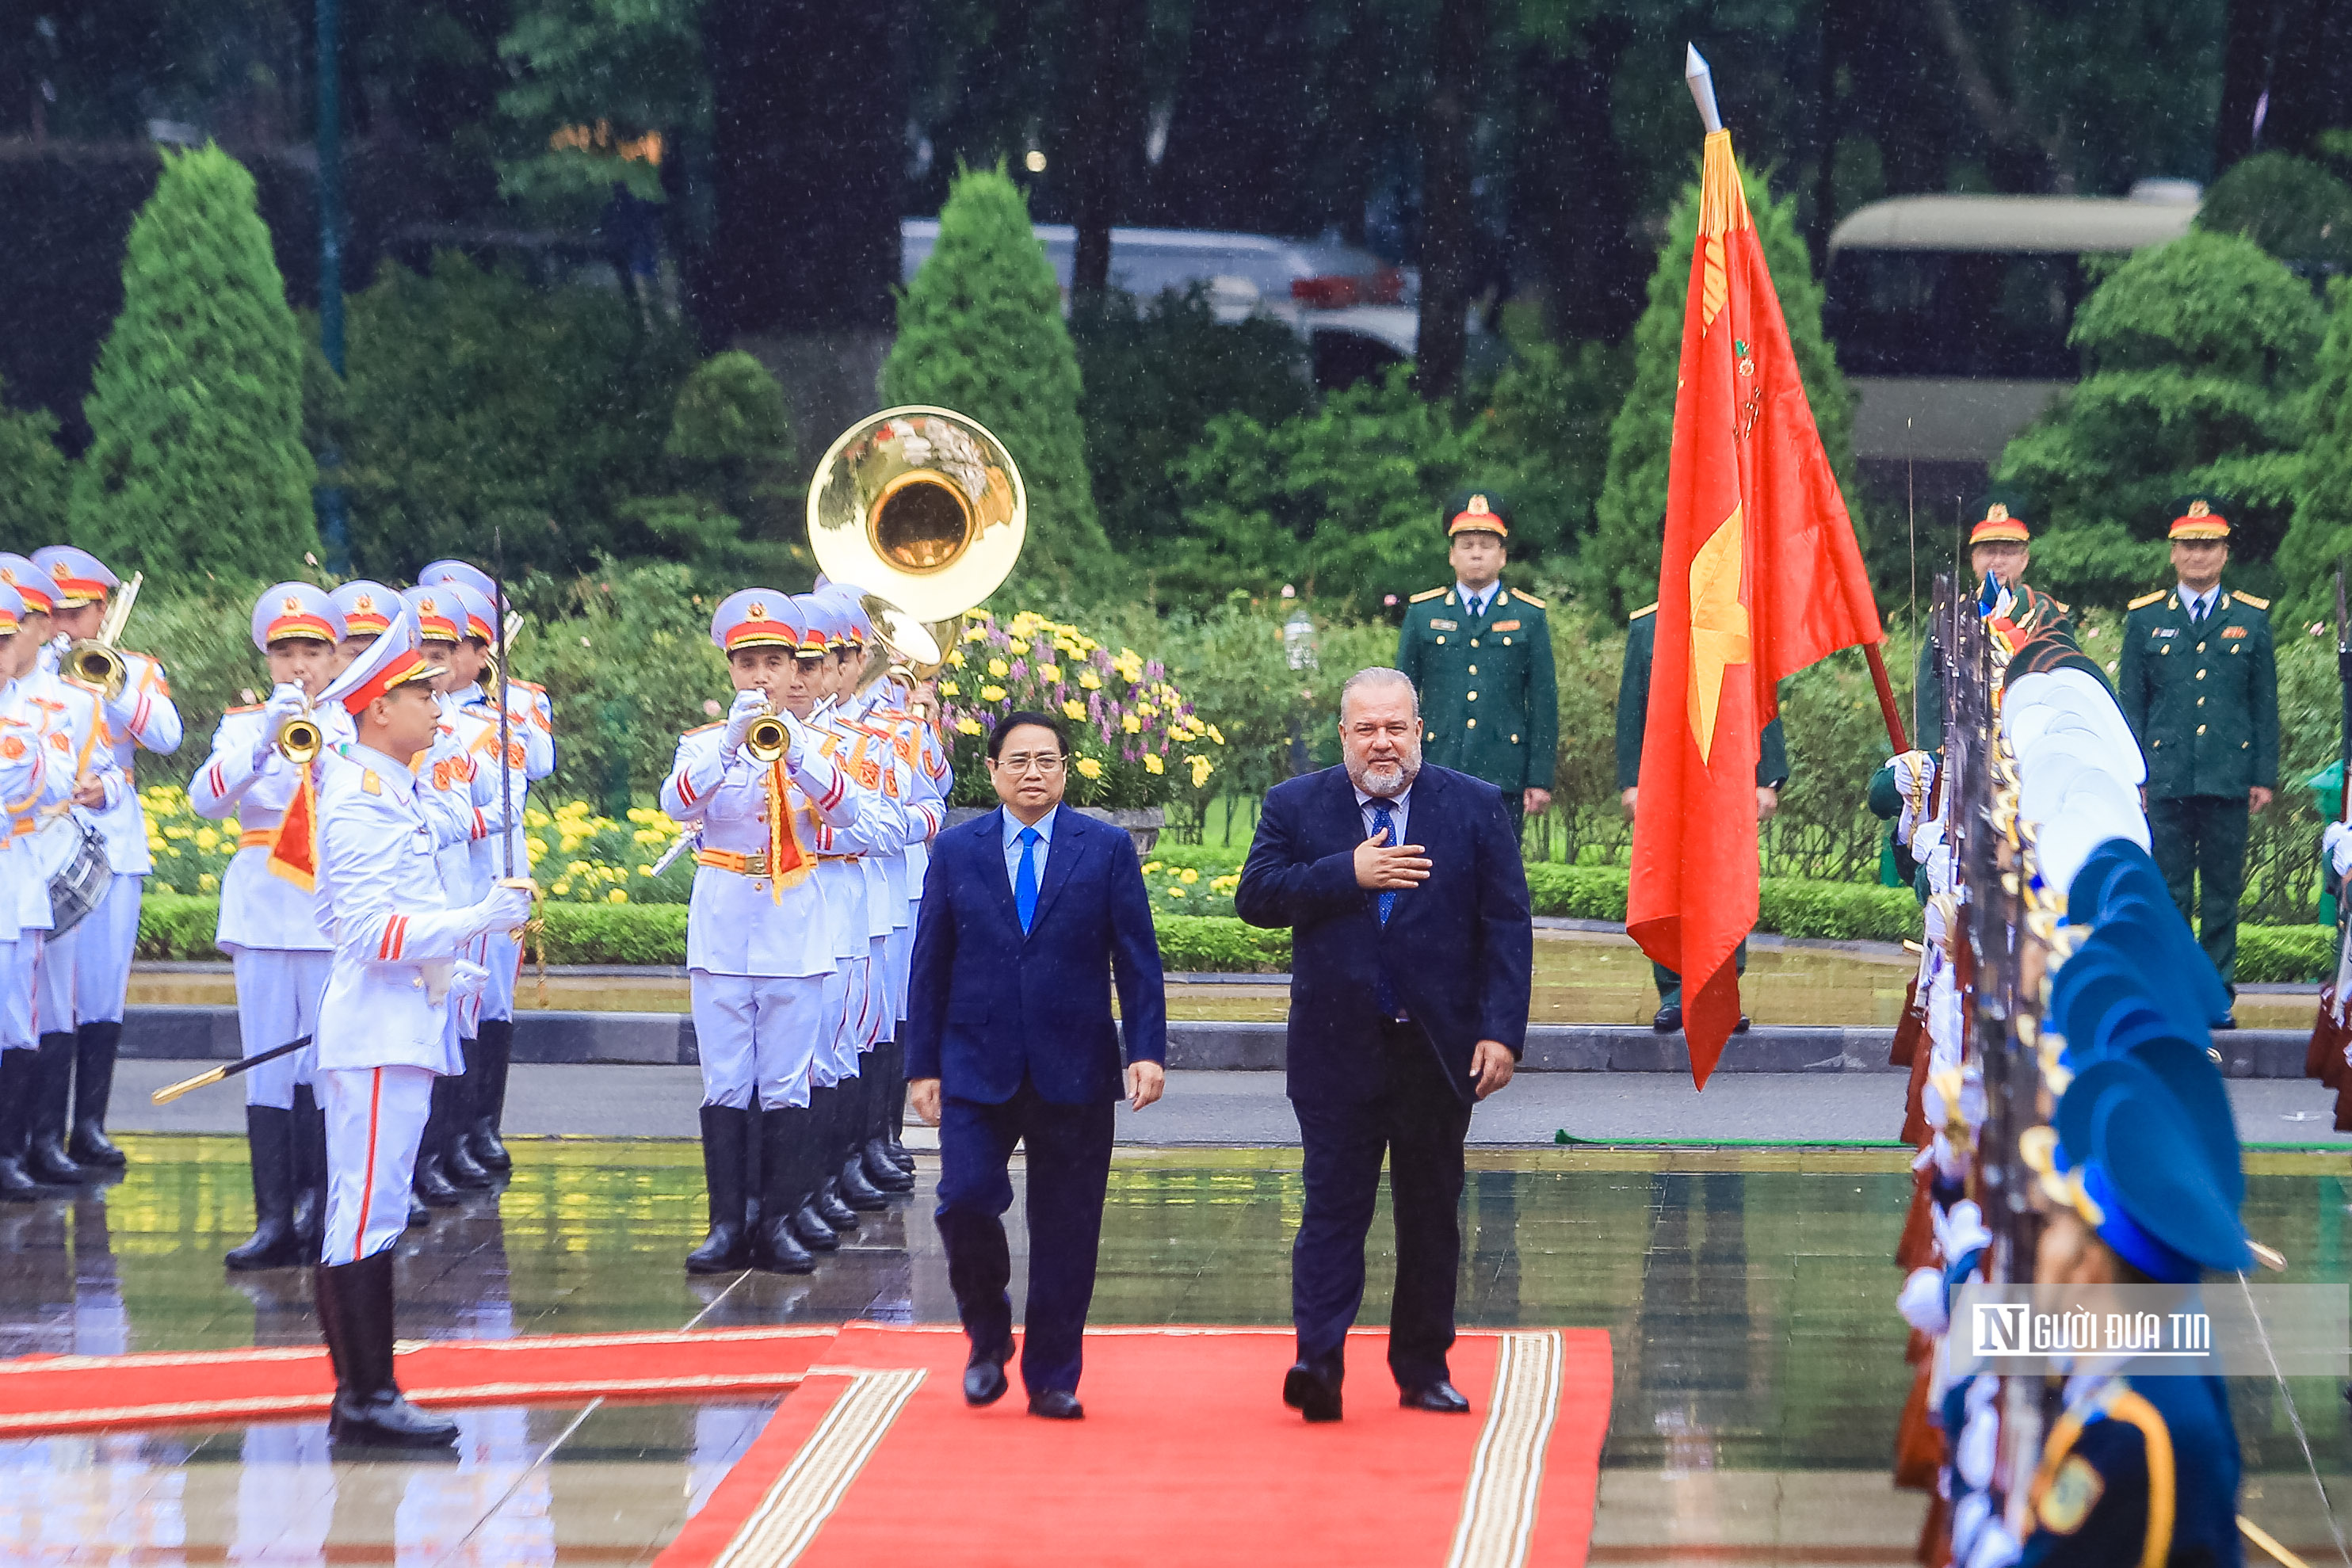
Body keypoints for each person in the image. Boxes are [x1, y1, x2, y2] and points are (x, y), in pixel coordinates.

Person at [1235, 667, 1531, 1423]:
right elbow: (1257, 896)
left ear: (1419, 730)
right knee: (1332, 1211)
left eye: (1396, 727)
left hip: (1437, 1050)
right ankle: (1319, 1362)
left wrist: (1501, 1031)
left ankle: (1424, 1367)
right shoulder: (1296, 804)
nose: (1383, 742)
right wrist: (1349, 872)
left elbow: (1506, 927)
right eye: (1366, 728)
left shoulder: (1473, 806)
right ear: (1343, 735)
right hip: (1336, 1051)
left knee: (1431, 1214)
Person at [307, 605, 534, 1449]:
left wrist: (446, 964)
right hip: (376, 1033)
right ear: (377, 710)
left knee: (367, 1207)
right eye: (421, 694)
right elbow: (367, 930)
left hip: (393, 1017)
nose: (438, 708)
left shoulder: (387, 789)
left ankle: (366, 1390)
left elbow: (350, 916)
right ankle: (367, 1396)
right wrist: (475, 918)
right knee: (364, 1211)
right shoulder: (365, 800)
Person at [904, 710, 1167, 1421]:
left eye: (1046, 760)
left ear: (1065, 768)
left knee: (1068, 1227)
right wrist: (920, 1063)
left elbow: (1137, 958)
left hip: (1075, 1064)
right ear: (992, 771)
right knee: (962, 1199)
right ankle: (987, 1338)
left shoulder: (1105, 848)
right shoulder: (957, 851)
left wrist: (1146, 1048)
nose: (1032, 773)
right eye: (1017, 761)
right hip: (973, 1062)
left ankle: (1053, 1374)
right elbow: (929, 963)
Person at [661, 590, 865, 1276]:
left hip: (792, 925)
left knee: (785, 1080)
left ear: (792, 669)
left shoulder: (819, 743)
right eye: (748, 663)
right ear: (731, 669)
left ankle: (778, 1219)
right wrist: (726, 747)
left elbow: (849, 809)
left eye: (773, 663)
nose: (761, 677)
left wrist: (799, 752)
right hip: (722, 925)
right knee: (725, 1079)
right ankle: (727, 1223)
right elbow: (676, 804)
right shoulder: (701, 745)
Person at [190, 583, 353, 1268]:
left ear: (336, 655)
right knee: (267, 1065)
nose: (299, 666)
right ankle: (272, 1217)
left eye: (312, 651)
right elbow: (204, 799)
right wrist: (262, 743)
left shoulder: (353, 723)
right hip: (262, 907)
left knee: (325, 1060)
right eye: (285, 652)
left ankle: (321, 1209)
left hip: (325, 909)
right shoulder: (241, 724)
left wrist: (323, 758)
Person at [32, 546, 181, 1170]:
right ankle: (39, 1131)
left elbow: (166, 737)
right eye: (55, 612)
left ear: (104, 609)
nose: (67, 626)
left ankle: (87, 1126)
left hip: (113, 843)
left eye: (78, 611)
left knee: (101, 993)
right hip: (44, 842)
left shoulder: (136, 668)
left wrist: (109, 682)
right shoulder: (25, 671)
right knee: (48, 993)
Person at [2115, 500, 2276, 1021]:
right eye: (2189, 545)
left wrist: (2263, 776)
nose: (2198, 555)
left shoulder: (2250, 617)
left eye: (2209, 545)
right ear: (2174, 554)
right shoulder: (2146, 619)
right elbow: (2132, 703)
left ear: (2225, 553)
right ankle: (2174, 991)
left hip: (2229, 775)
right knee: (2170, 890)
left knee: (2224, 893)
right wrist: (2133, 774)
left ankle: (2216, 994)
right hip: (2165, 776)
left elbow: (2263, 705)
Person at [420, 559, 556, 1172]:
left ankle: (481, 1124)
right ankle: (443, 1137)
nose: (439, 655)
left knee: (492, 999)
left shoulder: (512, 704)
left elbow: (537, 768)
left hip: (495, 870)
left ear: (482, 648)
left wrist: (511, 703)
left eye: (454, 644)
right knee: (446, 1000)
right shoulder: (414, 714)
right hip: (441, 873)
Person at [1615, 599, 1785, 1032]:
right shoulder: (1648, 625)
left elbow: (1762, 699)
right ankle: (1673, 990)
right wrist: (1631, 781)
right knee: (1668, 881)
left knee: (1726, 883)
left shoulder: (1741, 619)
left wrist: (1768, 778)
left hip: (1729, 773)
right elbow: (1632, 708)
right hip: (1666, 774)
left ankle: (1722, 991)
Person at [1395, 491, 1557, 838]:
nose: (1477, 553)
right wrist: (1401, 765)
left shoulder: (1528, 616)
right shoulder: (1424, 613)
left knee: (1499, 877)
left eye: (1486, 544)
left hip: (1503, 770)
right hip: (1436, 765)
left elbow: (1544, 702)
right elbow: (1401, 697)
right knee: (1432, 870)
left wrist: (1539, 778)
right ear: (1452, 555)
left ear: (1503, 555)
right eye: (1467, 544)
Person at [0, 582, 76, 1201]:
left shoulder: (30, 720)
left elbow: (53, 787)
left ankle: (8, 1152)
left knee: (16, 1025)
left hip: (11, 882)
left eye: (4, 639)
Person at [1913, 502, 2072, 752]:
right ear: (1974, 559)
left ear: (2024, 559)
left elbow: (2065, 682)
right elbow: (1931, 694)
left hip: (2030, 745)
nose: (1997, 561)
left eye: (2007, 552)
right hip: (1963, 750)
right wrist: (1933, 753)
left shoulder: (2045, 611)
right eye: (1988, 552)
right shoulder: (1949, 615)